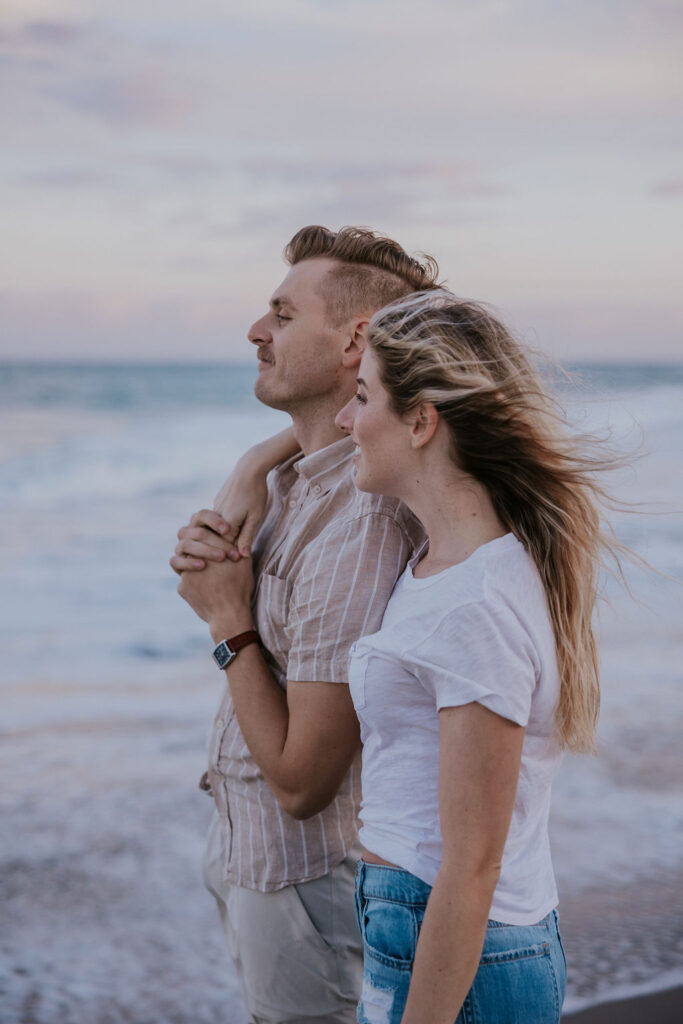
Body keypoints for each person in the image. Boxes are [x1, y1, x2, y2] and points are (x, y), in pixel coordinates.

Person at [171, 225, 437, 1024]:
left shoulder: (362, 524)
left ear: (357, 339)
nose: (257, 331)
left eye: (282, 315)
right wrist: (256, 460)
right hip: (253, 854)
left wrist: (225, 618)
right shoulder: (299, 476)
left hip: (306, 881)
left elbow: (302, 781)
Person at [328, 288, 612, 1024]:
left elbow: (472, 864)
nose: (344, 420)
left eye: (361, 397)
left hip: (460, 953)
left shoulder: (472, 605)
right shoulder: (444, 565)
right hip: (434, 937)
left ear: (421, 420)